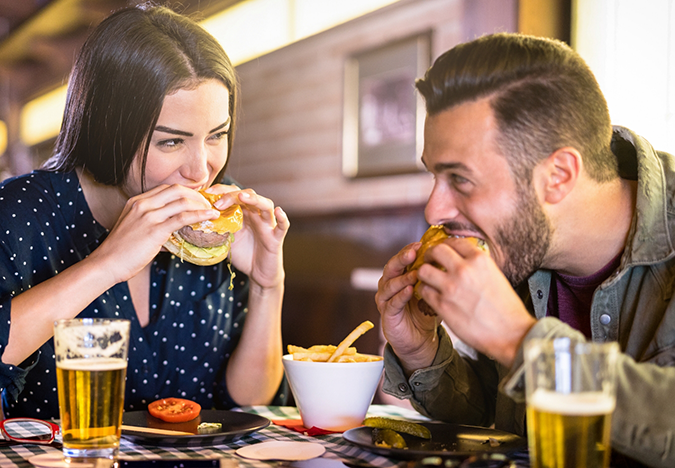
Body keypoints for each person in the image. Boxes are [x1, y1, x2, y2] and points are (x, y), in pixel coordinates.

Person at [376, 32, 675, 468]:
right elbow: (499, 426)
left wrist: (520, 341)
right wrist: (423, 353)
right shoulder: (518, 251)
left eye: (460, 179)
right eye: (434, 177)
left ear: (557, 175)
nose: (433, 208)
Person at [0, 4, 290, 420]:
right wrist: (106, 264)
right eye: (171, 142)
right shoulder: (19, 213)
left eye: (217, 136)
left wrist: (267, 285)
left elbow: (250, 404)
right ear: (108, 130)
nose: (201, 169)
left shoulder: (222, 225)